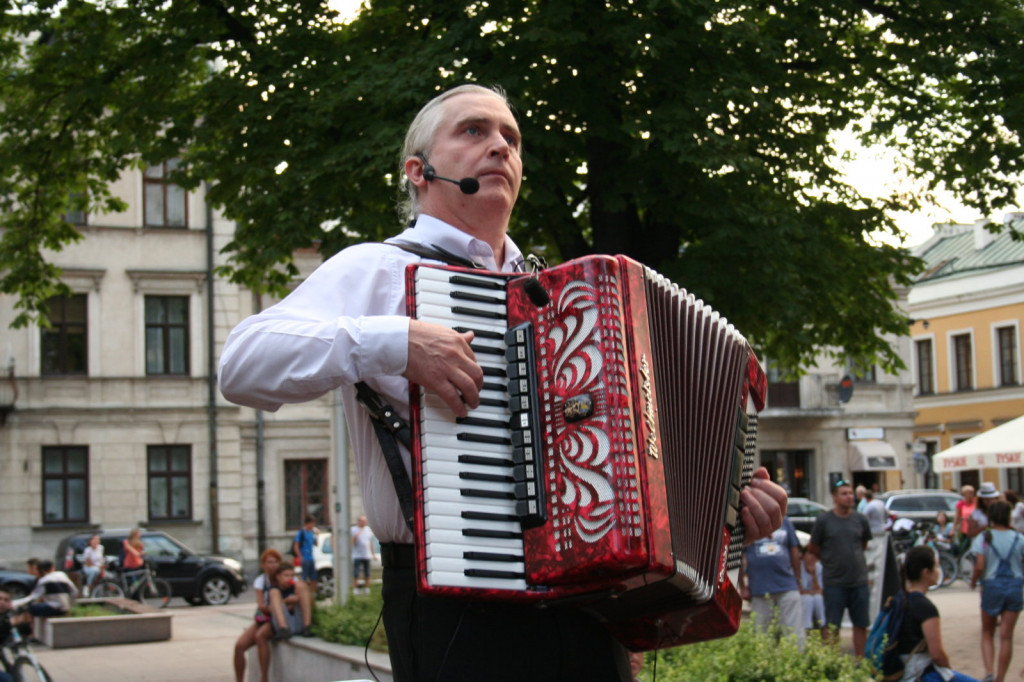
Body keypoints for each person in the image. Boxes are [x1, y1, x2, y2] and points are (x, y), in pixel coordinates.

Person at [218, 83, 789, 682]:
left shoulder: (569, 299)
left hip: (588, 602)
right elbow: (242, 365)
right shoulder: (378, 268)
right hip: (457, 609)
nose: (499, 146)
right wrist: (394, 341)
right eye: (473, 131)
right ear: (419, 171)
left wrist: (729, 508)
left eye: (510, 138)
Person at [806, 479, 873, 656]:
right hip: (834, 582)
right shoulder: (824, 520)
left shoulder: (860, 519)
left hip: (858, 581)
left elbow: (863, 544)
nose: (849, 497)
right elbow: (813, 547)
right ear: (834, 497)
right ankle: (833, 662)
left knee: (861, 624)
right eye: (844, 494)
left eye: (850, 493)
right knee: (833, 625)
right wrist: (830, 560)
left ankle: (861, 662)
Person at [896, 545, 978, 682]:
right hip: (919, 673)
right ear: (926, 573)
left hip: (898, 670)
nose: (939, 572)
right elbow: (937, 654)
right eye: (936, 567)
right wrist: (948, 672)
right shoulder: (926, 608)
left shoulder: (898, 600)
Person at [969, 500, 1023, 682]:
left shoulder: (984, 537)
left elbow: (979, 565)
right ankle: (1000, 678)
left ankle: (989, 672)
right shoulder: (1018, 538)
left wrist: (973, 582)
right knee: (1006, 636)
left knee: (987, 632)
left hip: (991, 587)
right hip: (1014, 586)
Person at [737, 515, 804, 648]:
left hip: (787, 585)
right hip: (759, 588)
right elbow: (738, 555)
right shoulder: (749, 522)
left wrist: (798, 579)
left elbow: (794, 551)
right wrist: (743, 587)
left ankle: (796, 661)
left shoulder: (785, 522)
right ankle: (765, 665)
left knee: (793, 631)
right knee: (762, 634)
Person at [234, 548, 283, 682]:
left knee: (260, 636)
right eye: (269, 562)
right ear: (264, 565)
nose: (273, 565)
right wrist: (272, 607)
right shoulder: (261, 580)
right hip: (264, 618)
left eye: (276, 562)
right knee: (239, 646)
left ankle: (264, 678)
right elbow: (261, 605)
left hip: (278, 619)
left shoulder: (284, 577)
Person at [10, 559, 76, 630]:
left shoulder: (44, 580)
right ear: (52, 567)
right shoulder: (62, 575)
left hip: (54, 608)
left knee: (26, 608)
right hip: (66, 607)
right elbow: (74, 592)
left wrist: (14, 603)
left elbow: (33, 598)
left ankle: (25, 631)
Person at [267, 564, 312, 640]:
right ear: (278, 577)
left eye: (292, 576)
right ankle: (283, 628)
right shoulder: (273, 589)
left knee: (302, 585)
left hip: (298, 621)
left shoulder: (297, 587)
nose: (289, 578)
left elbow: (311, 603)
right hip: (283, 624)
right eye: (286, 576)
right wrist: (286, 601)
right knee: (274, 592)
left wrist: (299, 599)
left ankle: (307, 626)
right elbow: (269, 609)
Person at [799, 546, 826, 639]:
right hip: (803, 598)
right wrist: (810, 592)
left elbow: (820, 590)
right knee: (808, 600)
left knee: (818, 599)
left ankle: (823, 627)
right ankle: (807, 631)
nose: (812, 557)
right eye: (809, 554)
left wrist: (813, 574)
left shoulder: (819, 567)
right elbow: (800, 590)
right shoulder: (798, 566)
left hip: (814, 597)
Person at [292, 515, 319, 595]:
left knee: (314, 577)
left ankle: (313, 593)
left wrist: (317, 535)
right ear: (308, 523)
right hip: (304, 558)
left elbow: (316, 544)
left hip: (311, 558)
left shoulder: (312, 532)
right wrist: (300, 556)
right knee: (304, 577)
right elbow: (296, 546)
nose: (313, 525)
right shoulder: (301, 533)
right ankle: (303, 593)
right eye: (312, 523)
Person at [351, 515, 377, 594]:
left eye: (365, 521)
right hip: (357, 555)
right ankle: (355, 588)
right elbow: (351, 543)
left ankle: (367, 588)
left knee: (367, 572)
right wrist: (355, 537)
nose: (364, 523)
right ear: (359, 521)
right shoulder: (353, 530)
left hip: (366, 554)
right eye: (363, 521)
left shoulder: (368, 530)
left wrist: (373, 553)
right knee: (356, 572)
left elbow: (370, 543)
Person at [955, 485, 978, 553]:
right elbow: (957, 517)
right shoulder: (961, 504)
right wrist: (954, 529)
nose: (971, 495)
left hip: (974, 529)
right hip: (964, 529)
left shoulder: (975, 502)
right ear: (964, 494)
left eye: (972, 493)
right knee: (964, 547)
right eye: (969, 493)